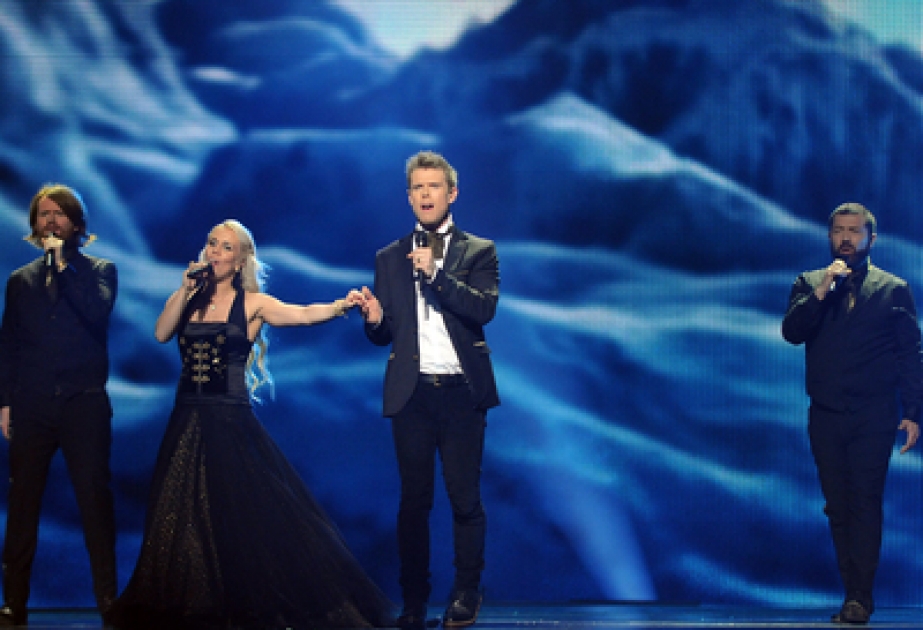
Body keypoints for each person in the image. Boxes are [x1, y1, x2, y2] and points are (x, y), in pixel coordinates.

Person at [108, 220, 395, 629]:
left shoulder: (252, 304)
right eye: (211, 243)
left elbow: (300, 315)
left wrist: (339, 307)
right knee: (183, 512)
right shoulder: (189, 297)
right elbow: (160, 333)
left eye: (225, 247)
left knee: (245, 513)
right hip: (187, 417)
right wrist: (184, 290)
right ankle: (196, 603)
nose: (215, 252)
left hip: (230, 419)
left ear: (240, 258)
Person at [358, 151, 500, 629]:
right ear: (409, 197)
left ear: (451, 193)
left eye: (433, 186)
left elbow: (482, 310)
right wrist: (375, 321)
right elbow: (387, 334)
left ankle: (465, 594)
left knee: (464, 498)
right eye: (417, 188)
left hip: (462, 392)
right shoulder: (389, 257)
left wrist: (437, 275)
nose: (425, 194)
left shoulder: (479, 251)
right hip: (412, 394)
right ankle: (414, 601)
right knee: (413, 503)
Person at [782, 202, 922, 625]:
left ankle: (859, 597)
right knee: (838, 506)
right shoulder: (809, 284)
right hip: (825, 413)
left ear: (870, 238)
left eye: (854, 231)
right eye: (839, 230)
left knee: (864, 501)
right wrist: (823, 289)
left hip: (874, 414)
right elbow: (792, 332)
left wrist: (913, 412)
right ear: (829, 236)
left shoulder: (893, 288)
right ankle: (852, 593)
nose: (846, 237)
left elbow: (910, 355)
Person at [0, 184, 119, 626]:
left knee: (94, 501)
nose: (50, 221)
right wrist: (4, 404)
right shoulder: (20, 282)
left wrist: (64, 266)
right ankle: (14, 602)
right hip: (31, 408)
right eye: (43, 214)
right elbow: (8, 345)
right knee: (24, 502)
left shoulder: (100, 271)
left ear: (76, 224)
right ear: (34, 224)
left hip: (83, 405)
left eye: (59, 214)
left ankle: (108, 601)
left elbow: (97, 314)